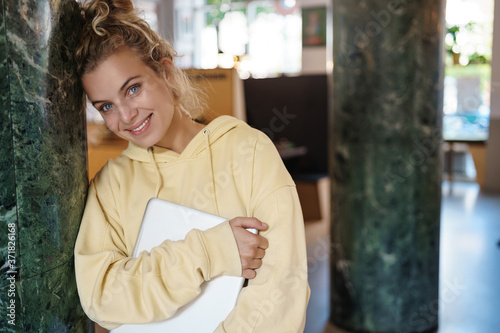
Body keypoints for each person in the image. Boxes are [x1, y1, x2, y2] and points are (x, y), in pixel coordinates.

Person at [73, 0, 310, 331]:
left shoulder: (248, 151)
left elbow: (283, 287)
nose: (126, 116)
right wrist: (209, 251)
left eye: (133, 89)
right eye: (107, 106)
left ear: (166, 73)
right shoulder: (109, 187)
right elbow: (101, 298)